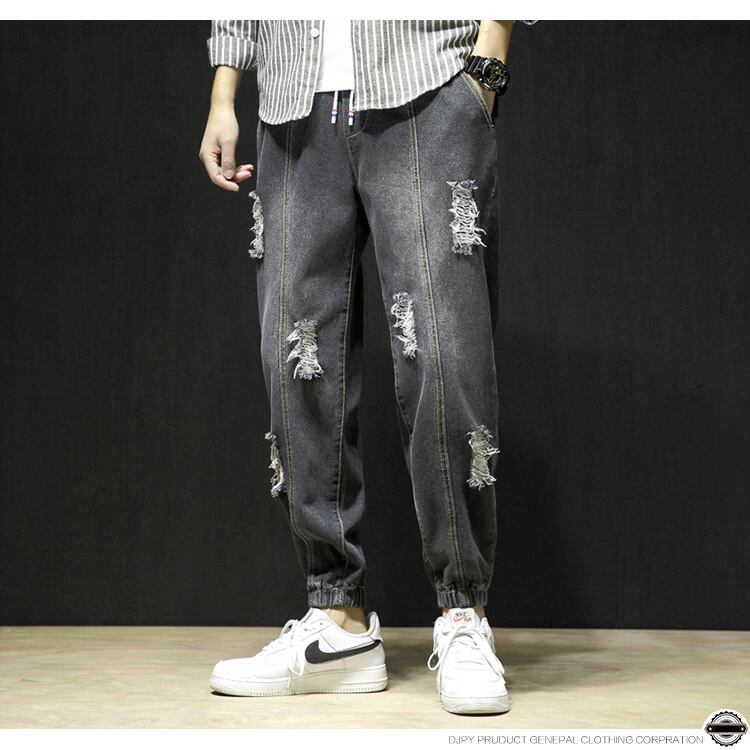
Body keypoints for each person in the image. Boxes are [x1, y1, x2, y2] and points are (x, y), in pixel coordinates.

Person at [199, 19, 534, 715]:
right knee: (296, 359)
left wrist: (488, 65)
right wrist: (224, 89)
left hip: (427, 81)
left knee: (444, 349)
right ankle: (337, 622)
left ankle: (463, 613)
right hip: (293, 103)